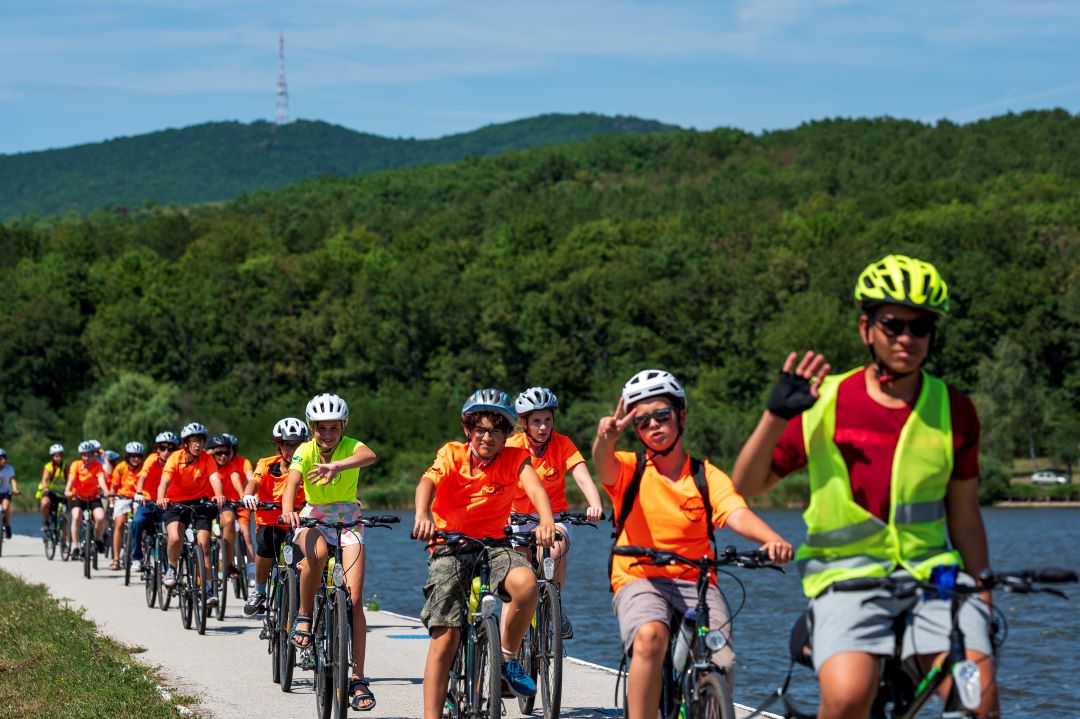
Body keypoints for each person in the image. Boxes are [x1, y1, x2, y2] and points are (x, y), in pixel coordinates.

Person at [731, 254, 997, 719]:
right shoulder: (825, 401)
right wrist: (775, 415)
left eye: (921, 327)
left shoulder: (955, 409)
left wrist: (984, 593)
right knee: (848, 698)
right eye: (893, 325)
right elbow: (747, 485)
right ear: (865, 329)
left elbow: (966, 517)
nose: (907, 338)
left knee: (978, 699)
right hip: (846, 580)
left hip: (934, 581)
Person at [593, 369, 793, 719]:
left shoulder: (705, 475)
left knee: (721, 659)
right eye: (642, 421)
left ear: (681, 416)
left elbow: (736, 513)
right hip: (640, 577)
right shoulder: (631, 469)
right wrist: (605, 439)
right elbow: (603, 465)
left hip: (696, 581)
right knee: (650, 636)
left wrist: (771, 539)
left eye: (662, 415)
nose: (653, 425)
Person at [413, 388, 557, 719]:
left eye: (496, 430)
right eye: (480, 430)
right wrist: (422, 514)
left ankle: (506, 658)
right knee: (445, 636)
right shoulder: (451, 455)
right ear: (469, 430)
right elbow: (427, 483)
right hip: (450, 546)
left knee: (527, 584)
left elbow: (535, 488)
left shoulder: (513, 459)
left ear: (507, 434)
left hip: (495, 546)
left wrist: (547, 521)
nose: (487, 437)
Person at [281, 393, 377, 711]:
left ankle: (359, 679)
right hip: (314, 518)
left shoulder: (351, 446)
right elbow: (292, 482)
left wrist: (338, 465)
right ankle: (305, 616)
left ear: (342, 427)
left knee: (355, 598)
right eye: (321, 428)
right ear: (312, 428)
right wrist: (288, 511)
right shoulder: (305, 451)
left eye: (333, 428)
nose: (327, 434)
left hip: (349, 521)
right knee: (317, 554)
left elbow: (370, 456)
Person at [505, 386, 603, 640]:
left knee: (556, 549)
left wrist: (594, 502)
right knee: (519, 568)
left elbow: (581, 476)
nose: (543, 427)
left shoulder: (562, 444)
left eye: (548, 420)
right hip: (518, 519)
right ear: (524, 423)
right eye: (536, 421)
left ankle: (554, 603)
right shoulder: (511, 446)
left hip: (555, 516)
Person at [241, 418, 308, 615]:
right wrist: (247, 495)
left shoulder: (309, 465)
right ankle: (259, 590)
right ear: (278, 445)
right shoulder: (266, 464)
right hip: (270, 521)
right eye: (288, 445)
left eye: (297, 445)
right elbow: (254, 482)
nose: (293, 450)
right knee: (266, 542)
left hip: (298, 522)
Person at [157, 422, 224, 607]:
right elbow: (164, 480)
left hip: (200, 503)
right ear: (186, 443)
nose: (198, 445)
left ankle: (208, 589)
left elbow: (214, 478)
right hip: (175, 503)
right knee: (175, 537)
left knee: (203, 545)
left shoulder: (206, 459)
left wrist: (218, 495)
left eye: (201, 441)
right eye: (193, 441)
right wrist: (161, 497)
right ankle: (171, 568)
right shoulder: (175, 458)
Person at [131, 431, 178, 569]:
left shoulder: (177, 461)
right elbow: (142, 477)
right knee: (137, 521)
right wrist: (139, 493)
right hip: (149, 501)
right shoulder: (151, 459)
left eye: (170, 449)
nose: (166, 452)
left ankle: (170, 566)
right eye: (162, 448)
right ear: (157, 449)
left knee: (171, 532)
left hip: (168, 503)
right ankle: (137, 557)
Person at [207, 433, 247, 583]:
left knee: (230, 520)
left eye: (226, 453)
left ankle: (228, 564)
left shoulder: (231, 465)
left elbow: (236, 479)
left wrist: (243, 496)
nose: (223, 456)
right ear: (210, 453)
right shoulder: (204, 462)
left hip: (223, 503)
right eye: (219, 453)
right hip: (203, 503)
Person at [64, 441, 111, 557]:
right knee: (76, 516)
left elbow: (101, 480)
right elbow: (71, 480)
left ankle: (99, 539)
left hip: (93, 497)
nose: (86, 458)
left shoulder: (97, 465)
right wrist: (67, 491)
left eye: (89, 455)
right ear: (81, 455)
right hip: (78, 497)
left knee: (100, 517)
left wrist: (105, 490)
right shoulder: (75, 465)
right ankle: (75, 546)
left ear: (93, 454)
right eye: (84, 455)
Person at [108, 441, 145, 570]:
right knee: (119, 523)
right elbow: (113, 487)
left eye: (138, 456)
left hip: (138, 497)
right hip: (122, 497)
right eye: (132, 456)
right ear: (127, 456)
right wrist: (111, 503)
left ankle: (140, 550)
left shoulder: (144, 467)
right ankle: (116, 559)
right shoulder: (121, 467)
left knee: (139, 519)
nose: (136, 459)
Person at [38, 444, 67, 530]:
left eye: (60, 456)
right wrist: (45, 487)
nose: (59, 458)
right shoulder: (49, 467)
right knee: (45, 503)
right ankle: (46, 522)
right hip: (50, 492)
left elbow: (71, 479)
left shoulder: (66, 467)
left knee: (64, 514)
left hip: (63, 494)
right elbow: (44, 479)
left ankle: (64, 540)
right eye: (56, 456)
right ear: (52, 457)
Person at [0, 449, 18, 539]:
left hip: (6, 492)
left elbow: (13, 480)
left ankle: (7, 525)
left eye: (4, 458)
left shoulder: (9, 468)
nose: (3, 460)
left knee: (5, 507)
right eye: (0, 459)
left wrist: (15, 489)